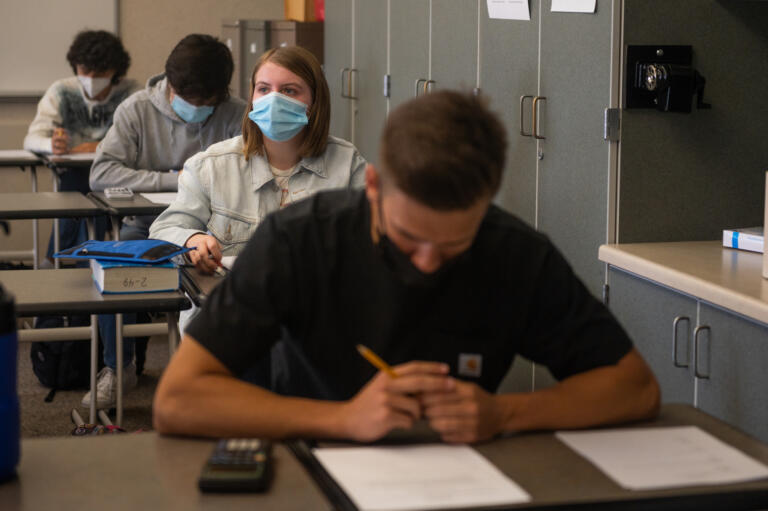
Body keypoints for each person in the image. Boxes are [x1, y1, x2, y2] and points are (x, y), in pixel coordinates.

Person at [153, 90, 660, 443]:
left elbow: (633, 386)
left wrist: (504, 412)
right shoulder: (298, 240)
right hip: (314, 461)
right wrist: (344, 419)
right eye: (408, 237)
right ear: (372, 188)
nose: (427, 263)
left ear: (485, 205)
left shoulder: (514, 253)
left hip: (460, 474)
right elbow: (178, 401)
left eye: (454, 244)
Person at [84, 34, 246, 410]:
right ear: (171, 86)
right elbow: (102, 173)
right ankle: (117, 367)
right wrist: (180, 177)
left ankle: (217, 371)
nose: (200, 109)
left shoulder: (236, 113)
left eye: (208, 104)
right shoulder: (136, 110)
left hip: (215, 223)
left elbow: (250, 167)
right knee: (117, 261)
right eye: (191, 103)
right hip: (146, 223)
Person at [150, 45, 365, 275]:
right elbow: (164, 229)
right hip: (230, 303)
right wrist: (192, 238)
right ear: (252, 97)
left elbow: (375, 241)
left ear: (315, 100)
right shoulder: (211, 165)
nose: (274, 100)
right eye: (263, 89)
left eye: (289, 91)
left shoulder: (347, 164)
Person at [24, 30, 135, 260]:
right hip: (74, 174)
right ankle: (62, 260)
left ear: (116, 71)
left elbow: (138, 141)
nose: (92, 78)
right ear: (75, 66)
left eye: (101, 72)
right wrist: (52, 144)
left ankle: (83, 259)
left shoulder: (132, 93)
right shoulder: (62, 91)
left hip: (116, 173)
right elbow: (31, 138)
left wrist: (96, 147)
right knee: (74, 196)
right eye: (85, 71)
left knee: (104, 199)